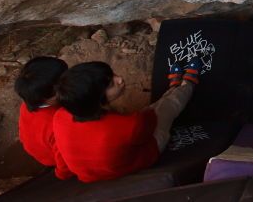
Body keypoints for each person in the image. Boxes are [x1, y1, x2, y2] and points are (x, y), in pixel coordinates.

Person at [52, 59, 201, 182]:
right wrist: (143, 117)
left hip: (92, 174)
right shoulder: (126, 126)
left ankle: (173, 87)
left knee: (152, 109)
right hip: (143, 155)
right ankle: (187, 85)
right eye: (111, 84)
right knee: (166, 108)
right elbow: (148, 121)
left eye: (112, 74)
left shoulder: (60, 115)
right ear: (97, 100)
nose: (119, 79)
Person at [14, 56, 68, 169]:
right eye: (65, 85)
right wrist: (62, 173)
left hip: (39, 149)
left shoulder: (27, 104)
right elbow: (63, 160)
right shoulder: (59, 122)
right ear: (47, 98)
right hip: (54, 159)